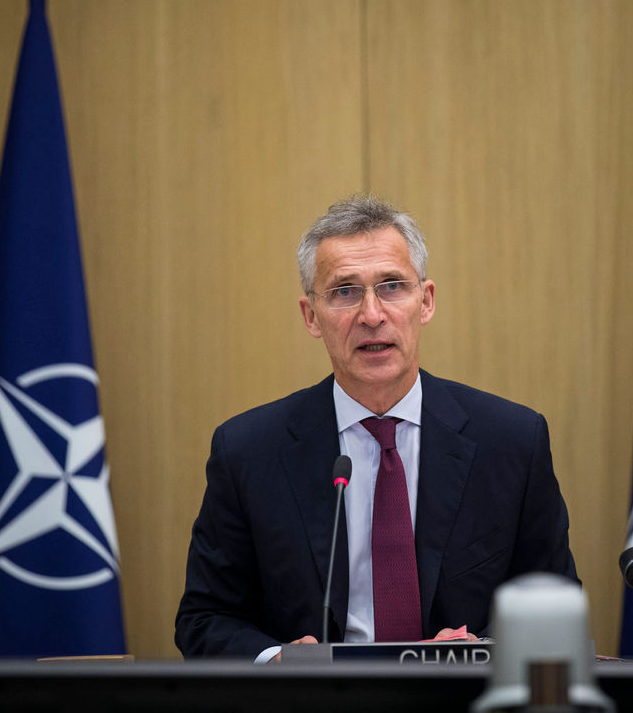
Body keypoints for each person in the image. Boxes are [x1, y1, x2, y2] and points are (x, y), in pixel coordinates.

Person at [174, 196, 578, 660]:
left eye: (391, 286)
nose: (371, 314)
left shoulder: (511, 440)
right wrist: (275, 660)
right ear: (311, 316)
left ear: (424, 302)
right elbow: (204, 619)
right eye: (344, 291)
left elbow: (556, 607)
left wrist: (480, 650)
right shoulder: (247, 451)